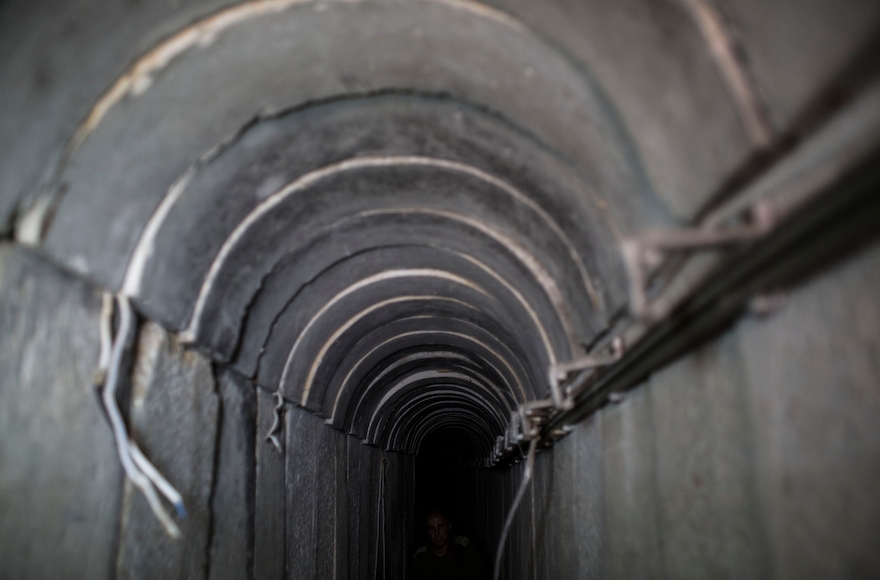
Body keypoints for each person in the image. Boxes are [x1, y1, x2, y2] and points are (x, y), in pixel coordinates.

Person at [410, 509, 489, 580]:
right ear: (427, 532)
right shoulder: (420, 556)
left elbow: (481, 575)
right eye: (432, 528)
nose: (437, 533)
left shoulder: (465, 549)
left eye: (441, 526)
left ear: (449, 527)